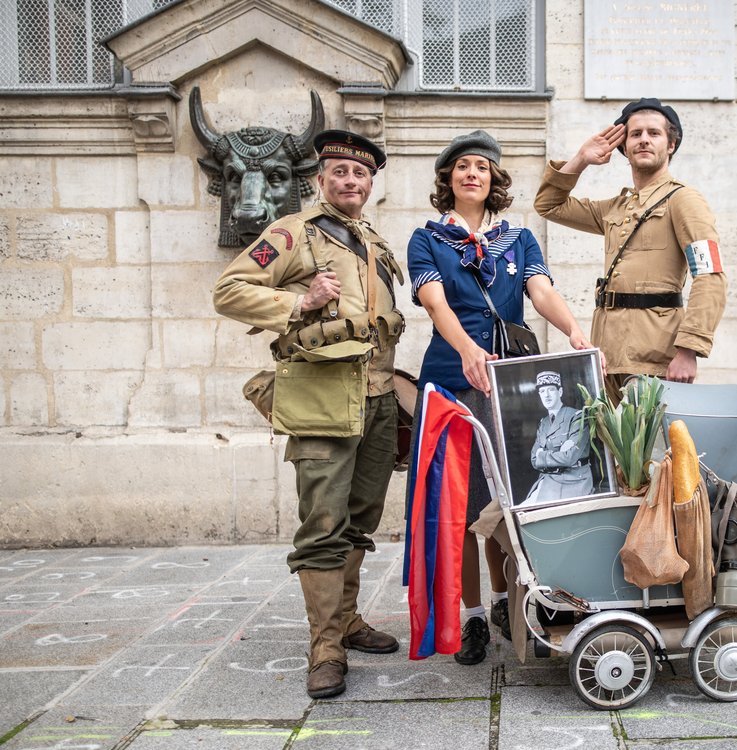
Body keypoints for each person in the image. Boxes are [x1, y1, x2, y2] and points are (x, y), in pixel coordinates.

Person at [212, 130, 404, 699]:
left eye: (361, 174)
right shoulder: (291, 232)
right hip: (322, 398)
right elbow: (229, 290)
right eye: (340, 172)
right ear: (321, 179)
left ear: (371, 184)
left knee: (360, 519)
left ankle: (347, 620)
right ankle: (325, 646)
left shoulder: (368, 236)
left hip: (377, 397)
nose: (351, 181)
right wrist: (299, 302)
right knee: (323, 523)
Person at [406, 130, 598, 666]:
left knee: (509, 502)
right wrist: (468, 349)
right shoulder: (426, 240)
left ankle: (500, 602)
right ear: (448, 180)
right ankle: (469, 618)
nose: (473, 174)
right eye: (462, 166)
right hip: (451, 381)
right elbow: (435, 303)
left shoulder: (519, 240)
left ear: (494, 180)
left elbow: (541, 292)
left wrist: (575, 334)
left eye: (482, 167)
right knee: (461, 508)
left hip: (511, 385)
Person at [534, 98, 726, 394]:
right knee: (608, 440)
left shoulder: (684, 200)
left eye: (654, 133)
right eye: (635, 134)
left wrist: (689, 350)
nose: (644, 140)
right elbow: (548, 206)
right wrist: (581, 159)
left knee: (651, 441)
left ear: (671, 145)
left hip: (655, 357)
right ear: (624, 147)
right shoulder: (615, 208)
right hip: (607, 355)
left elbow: (710, 275)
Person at [524, 371, 593, 505]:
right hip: (549, 480)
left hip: (574, 481)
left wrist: (542, 456)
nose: (547, 395)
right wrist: (559, 453)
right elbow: (534, 459)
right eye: (542, 391)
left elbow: (570, 457)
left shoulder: (577, 417)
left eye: (551, 390)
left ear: (560, 392)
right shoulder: (543, 423)